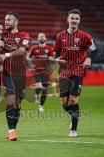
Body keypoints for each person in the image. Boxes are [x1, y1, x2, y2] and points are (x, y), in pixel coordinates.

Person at [54, 9, 96, 137]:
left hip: (78, 69)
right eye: (72, 18)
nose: (74, 21)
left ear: (79, 21)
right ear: (68, 20)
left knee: (73, 100)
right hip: (64, 70)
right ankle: (74, 116)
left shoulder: (85, 36)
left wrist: (88, 58)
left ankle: (74, 129)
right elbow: (56, 52)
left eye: (76, 19)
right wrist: (57, 59)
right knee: (64, 103)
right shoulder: (60, 36)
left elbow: (94, 49)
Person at [0, 12, 30, 141]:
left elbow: (22, 51)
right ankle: (11, 130)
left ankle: (12, 130)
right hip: (7, 73)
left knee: (18, 103)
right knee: (11, 100)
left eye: (9, 20)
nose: (6, 22)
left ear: (16, 22)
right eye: (5, 19)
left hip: (20, 73)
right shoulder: (2, 35)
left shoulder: (24, 35)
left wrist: (6, 55)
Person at [29, 33, 54, 112]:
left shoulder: (49, 48)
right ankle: (36, 94)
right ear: (38, 39)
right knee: (39, 86)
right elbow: (28, 57)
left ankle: (41, 105)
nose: (42, 38)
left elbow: (52, 58)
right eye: (40, 37)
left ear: (45, 38)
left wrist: (51, 59)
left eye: (43, 36)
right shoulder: (34, 48)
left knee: (45, 90)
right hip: (37, 71)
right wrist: (31, 64)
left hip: (46, 72)